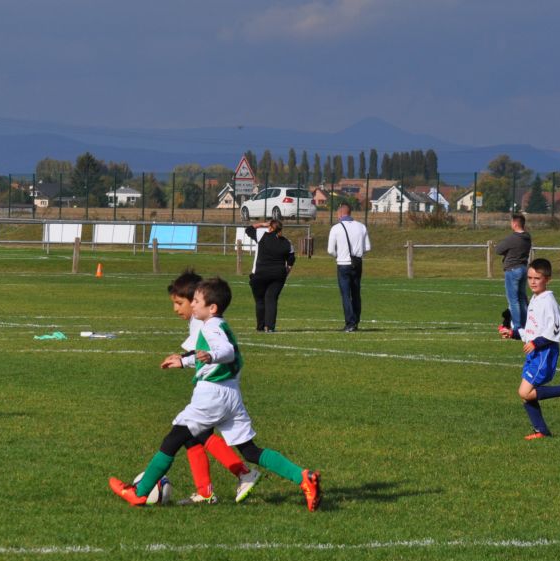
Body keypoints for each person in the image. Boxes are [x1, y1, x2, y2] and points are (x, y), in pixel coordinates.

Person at [110, 277, 321, 511]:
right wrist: (184, 361)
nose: (193, 304)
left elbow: (225, 351)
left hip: (212, 395)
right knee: (250, 450)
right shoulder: (219, 324)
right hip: (231, 394)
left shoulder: (210, 326)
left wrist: (212, 356)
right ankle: (303, 477)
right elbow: (210, 354)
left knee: (173, 439)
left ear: (212, 308)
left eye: (196, 301)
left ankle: (139, 493)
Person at [161, 270, 263, 505]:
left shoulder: (202, 322)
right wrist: (183, 359)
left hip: (217, 388)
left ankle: (239, 475)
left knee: (194, 433)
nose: (176, 309)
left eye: (180, 303)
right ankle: (207, 490)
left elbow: (211, 351)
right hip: (218, 387)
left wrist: (184, 360)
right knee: (197, 435)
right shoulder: (200, 319)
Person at [498, 258, 560, 439]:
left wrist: (536, 343)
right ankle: (541, 431)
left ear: (548, 279)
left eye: (537, 278)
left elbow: (555, 330)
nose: (532, 282)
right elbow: (532, 330)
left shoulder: (548, 301)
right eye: (530, 278)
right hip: (535, 353)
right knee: (526, 395)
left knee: (525, 392)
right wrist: (513, 333)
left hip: (544, 352)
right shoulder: (536, 299)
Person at [244, 218, 295, 332]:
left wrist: (262, 224)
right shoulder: (287, 242)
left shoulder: (262, 235)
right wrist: (286, 273)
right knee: (271, 299)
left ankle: (260, 326)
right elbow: (291, 260)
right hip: (278, 275)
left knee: (260, 300)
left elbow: (249, 229)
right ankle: (270, 327)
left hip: (260, 273)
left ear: (270, 228)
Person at [326, 203, 371, 332]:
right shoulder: (361, 227)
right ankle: (355, 322)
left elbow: (330, 250)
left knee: (346, 294)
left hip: (343, 263)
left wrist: (339, 255)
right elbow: (367, 247)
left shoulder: (336, 228)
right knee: (356, 293)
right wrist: (357, 254)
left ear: (340, 213)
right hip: (357, 263)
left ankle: (349, 322)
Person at [496, 213, 532, 333]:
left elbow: (498, 250)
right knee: (522, 298)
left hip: (512, 270)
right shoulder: (527, 237)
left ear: (515, 224)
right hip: (523, 268)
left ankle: (517, 327)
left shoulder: (513, 238)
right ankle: (526, 325)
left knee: (513, 300)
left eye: (511, 222)